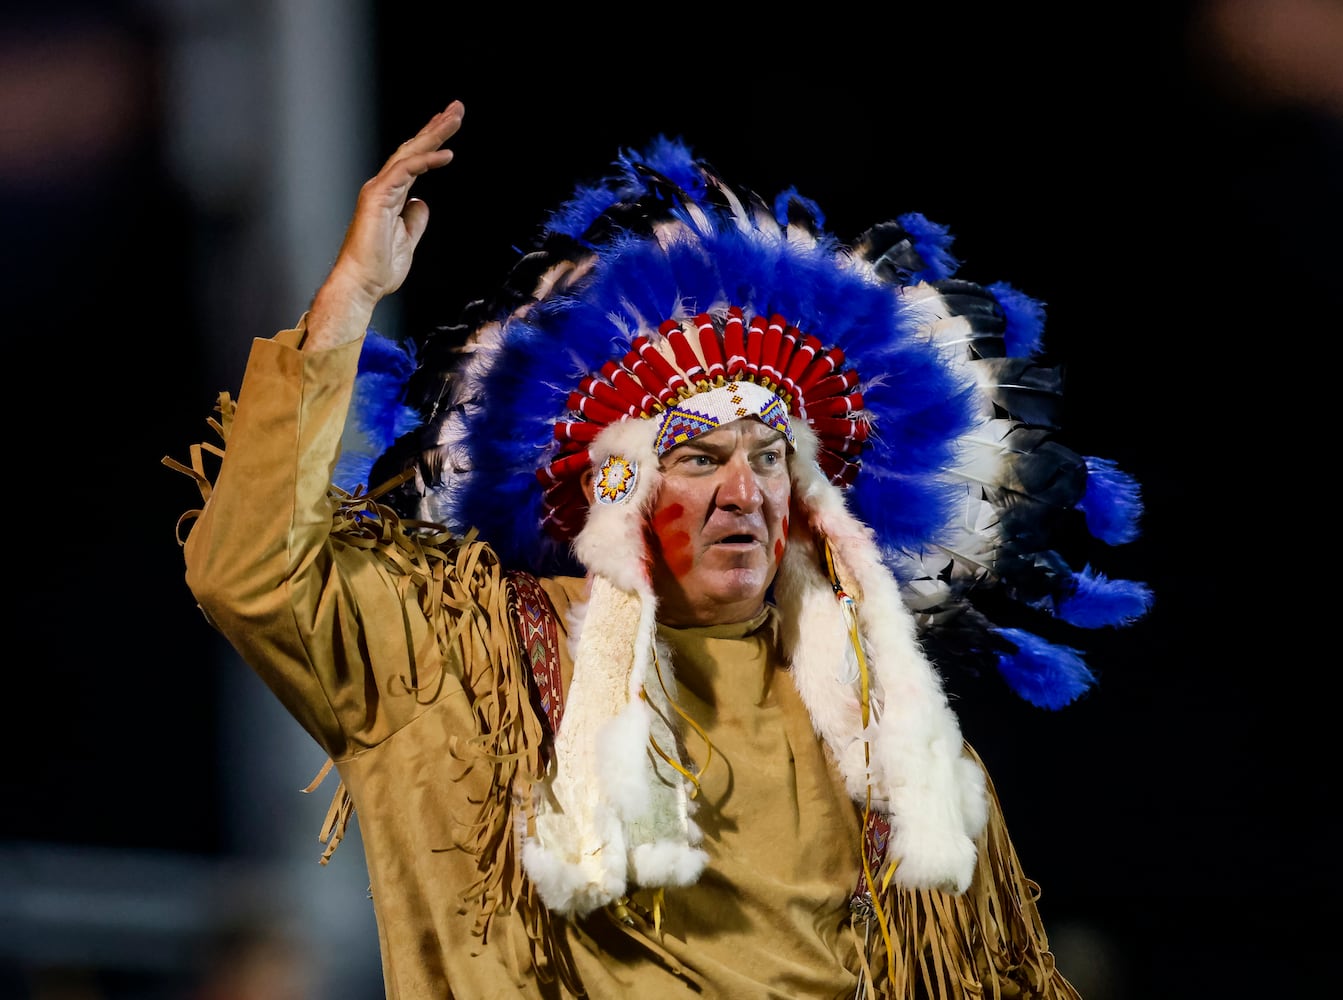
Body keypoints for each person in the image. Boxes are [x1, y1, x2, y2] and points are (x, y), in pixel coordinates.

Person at [167, 100, 1151, 999]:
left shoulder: (896, 744)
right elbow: (250, 570)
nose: (744, 489)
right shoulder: (464, 662)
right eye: (699, 455)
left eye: (771, 457)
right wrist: (348, 301)